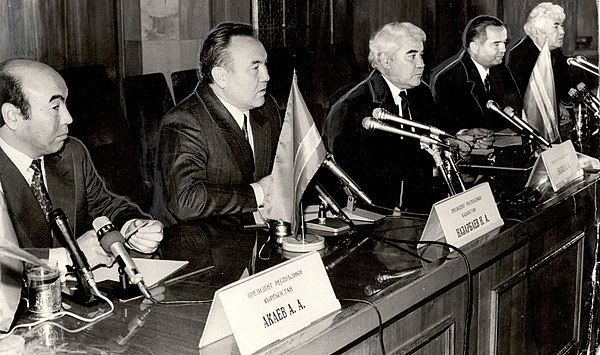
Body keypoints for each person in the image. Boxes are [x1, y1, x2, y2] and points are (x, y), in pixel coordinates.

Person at [0, 58, 164, 329]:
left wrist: (133, 226)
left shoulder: (71, 153)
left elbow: (106, 205)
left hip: (75, 319)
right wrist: (69, 256)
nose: (68, 117)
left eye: (65, 103)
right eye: (55, 107)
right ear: (13, 116)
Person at [152, 22, 281, 223]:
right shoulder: (183, 122)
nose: (266, 76)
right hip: (196, 243)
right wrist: (258, 193)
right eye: (255, 68)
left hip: (250, 235)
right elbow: (186, 201)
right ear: (221, 77)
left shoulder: (266, 107)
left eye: (265, 65)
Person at [321, 22, 446, 213]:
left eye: (421, 55)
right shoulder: (353, 107)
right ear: (386, 61)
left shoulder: (422, 93)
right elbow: (352, 178)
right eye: (412, 56)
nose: (421, 63)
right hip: (375, 212)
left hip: (419, 207)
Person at [431, 15, 522, 138]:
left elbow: (514, 111)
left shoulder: (502, 71)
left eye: (504, 43)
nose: (503, 49)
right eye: (496, 44)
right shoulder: (448, 79)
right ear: (475, 47)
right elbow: (449, 128)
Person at [506, 2, 588, 121]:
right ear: (536, 31)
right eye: (555, 26)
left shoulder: (553, 51)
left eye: (562, 25)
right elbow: (527, 98)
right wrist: (556, 105)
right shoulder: (520, 55)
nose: (562, 32)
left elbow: (566, 81)